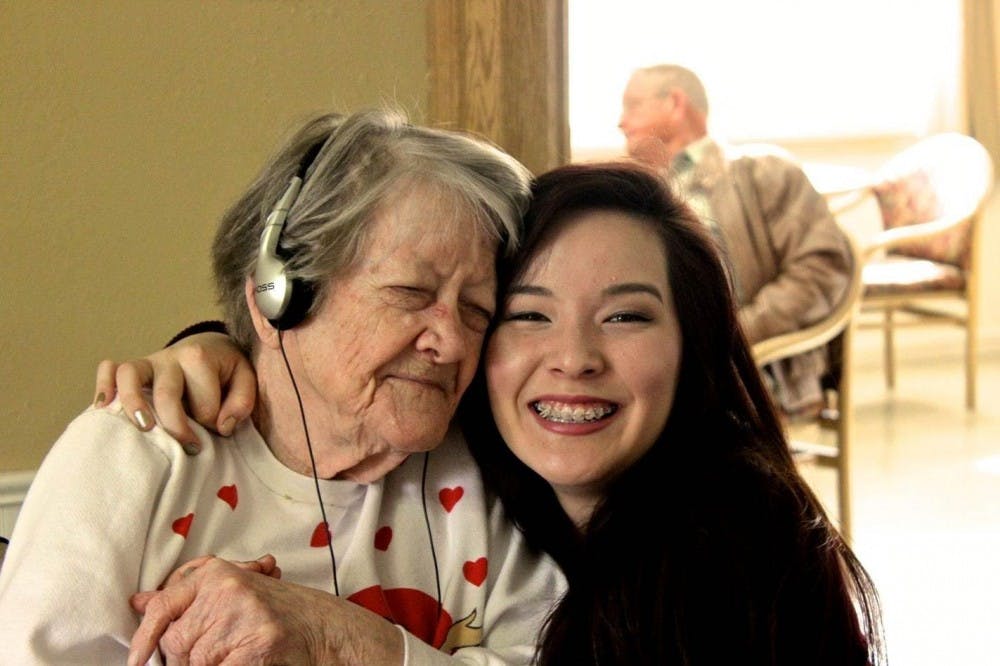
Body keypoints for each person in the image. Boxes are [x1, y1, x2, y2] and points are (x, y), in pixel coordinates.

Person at [96, 162, 884, 664]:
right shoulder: (454, 473)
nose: (573, 357)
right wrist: (219, 348)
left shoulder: (748, 549)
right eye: (527, 315)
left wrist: (353, 644)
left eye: (627, 316)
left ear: (695, 348)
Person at [0, 109, 566, 665]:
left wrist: (346, 642)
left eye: (476, 309)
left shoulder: (494, 472)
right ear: (278, 299)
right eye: (411, 293)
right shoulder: (137, 456)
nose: (452, 342)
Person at [619, 63, 852, 417]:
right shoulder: (631, 189)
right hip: (652, 365)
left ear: (675, 104)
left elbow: (822, 268)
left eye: (633, 105)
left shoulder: (765, 172)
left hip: (744, 366)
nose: (621, 121)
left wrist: (736, 335)